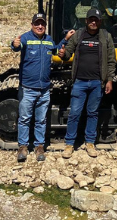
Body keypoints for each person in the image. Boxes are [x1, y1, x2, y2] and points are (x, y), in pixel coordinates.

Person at [11, 13, 75, 162]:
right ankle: (23, 147)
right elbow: (17, 46)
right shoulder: (26, 38)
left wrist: (65, 41)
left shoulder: (48, 40)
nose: (40, 26)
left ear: (45, 26)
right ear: (32, 25)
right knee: (25, 118)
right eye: (37, 24)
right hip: (28, 88)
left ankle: (39, 146)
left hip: (44, 89)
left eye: (42, 24)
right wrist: (14, 44)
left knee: (41, 119)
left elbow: (56, 50)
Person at [60, 8, 116, 159]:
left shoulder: (105, 36)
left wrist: (109, 80)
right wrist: (63, 53)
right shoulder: (78, 35)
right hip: (80, 82)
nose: (93, 22)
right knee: (74, 113)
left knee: (93, 113)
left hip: (97, 82)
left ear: (100, 21)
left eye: (96, 20)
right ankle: (69, 144)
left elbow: (111, 60)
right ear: (86, 21)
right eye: (91, 19)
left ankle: (90, 143)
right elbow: (68, 53)